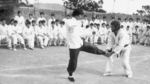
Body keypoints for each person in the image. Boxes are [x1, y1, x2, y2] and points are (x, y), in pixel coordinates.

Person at [66, 9, 107, 82]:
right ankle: (70, 75)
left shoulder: (77, 22)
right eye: (81, 15)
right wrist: (76, 22)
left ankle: (105, 53)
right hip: (73, 45)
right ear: (77, 15)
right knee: (73, 61)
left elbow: (81, 32)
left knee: (92, 47)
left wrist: (91, 33)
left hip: (80, 42)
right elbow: (70, 24)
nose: (82, 16)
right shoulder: (69, 21)